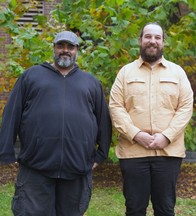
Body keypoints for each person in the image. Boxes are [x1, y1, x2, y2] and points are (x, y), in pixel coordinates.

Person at [0, 31, 112, 216]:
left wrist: (101, 155)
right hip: (36, 167)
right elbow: (12, 113)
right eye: (61, 46)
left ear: (77, 50)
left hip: (76, 168)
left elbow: (103, 122)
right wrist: (6, 153)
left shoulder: (90, 83)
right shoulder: (31, 76)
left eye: (70, 47)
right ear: (54, 48)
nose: (65, 51)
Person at [109, 22, 194, 216]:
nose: (152, 41)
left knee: (165, 209)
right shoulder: (125, 73)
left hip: (168, 152)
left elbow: (185, 108)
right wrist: (136, 134)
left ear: (163, 42)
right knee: (134, 208)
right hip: (133, 152)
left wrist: (167, 136)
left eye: (157, 37)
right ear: (140, 41)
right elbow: (115, 107)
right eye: (148, 37)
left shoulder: (177, 73)